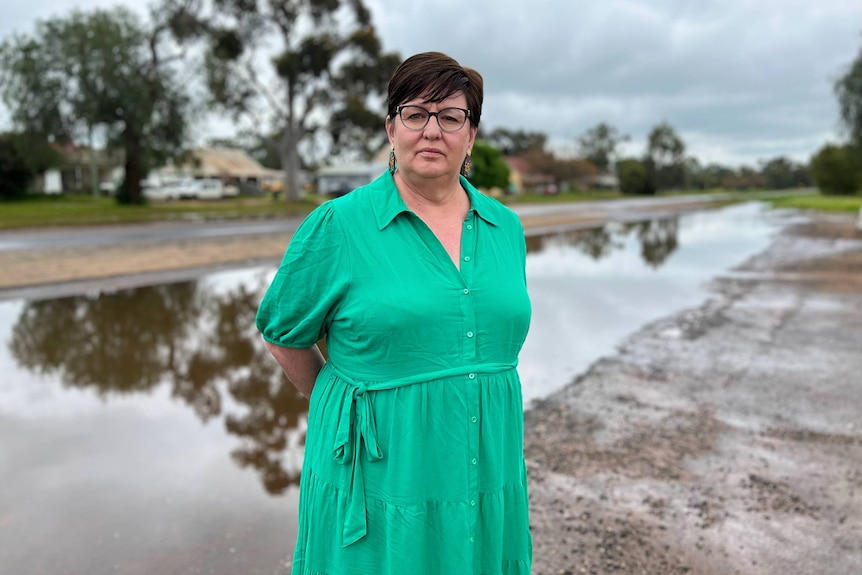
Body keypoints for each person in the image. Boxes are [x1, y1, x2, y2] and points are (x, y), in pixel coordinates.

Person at [256, 51, 532, 575]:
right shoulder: (338, 225)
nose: (433, 130)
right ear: (391, 127)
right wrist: (345, 405)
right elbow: (283, 333)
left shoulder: (506, 227)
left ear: (470, 135)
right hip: (383, 471)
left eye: (451, 117)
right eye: (416, 114)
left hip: (487, 459)